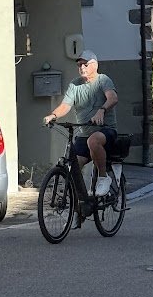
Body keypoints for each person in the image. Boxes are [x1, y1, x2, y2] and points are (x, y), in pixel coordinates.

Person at [42, 50, 118, 197]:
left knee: (93, 140)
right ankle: (81, 200)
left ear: (95, 65)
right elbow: (65, 106)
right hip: (84, 134)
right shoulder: (75, 85)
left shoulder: (103, 80)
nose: (82, 67)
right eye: (79, 65)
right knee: (74, 164)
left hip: (105, 131)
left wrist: (102, 110)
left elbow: (113, 98)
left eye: (85, 64)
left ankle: (103, 178)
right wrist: (53, 115)